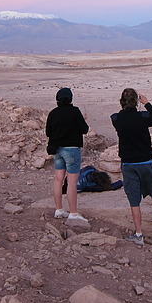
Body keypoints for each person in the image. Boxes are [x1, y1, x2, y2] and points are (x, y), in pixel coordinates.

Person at [110, 88, 152, 245]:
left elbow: (120, 118)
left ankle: (138, 234)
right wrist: (147, 103)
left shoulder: (116, 119)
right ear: (136, 101)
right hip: (145, 161)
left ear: (122, 101)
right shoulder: (143, 117)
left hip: (128, 163)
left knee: (134, 199)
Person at [45, 87, 90, 223]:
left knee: (58, 180)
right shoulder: (75, 112)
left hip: (57, 150)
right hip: (72, 150)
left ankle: (59, 209)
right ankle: (73, 213)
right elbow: (84, 129)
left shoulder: (53, 113)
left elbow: (48, 132)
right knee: (71, 182)